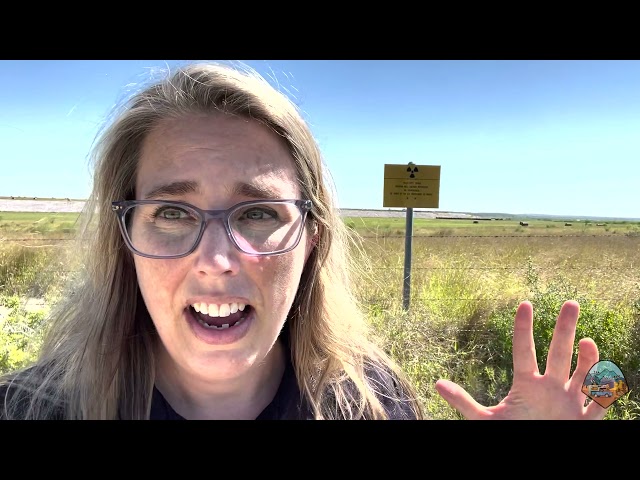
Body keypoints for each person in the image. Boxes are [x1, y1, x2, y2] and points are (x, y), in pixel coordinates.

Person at [0, 61, 607, 420]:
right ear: (124, 236)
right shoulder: (31, 407)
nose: (215, 260)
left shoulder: (369, 403)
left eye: (259, 212)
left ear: (312, 237)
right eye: (172, 213)